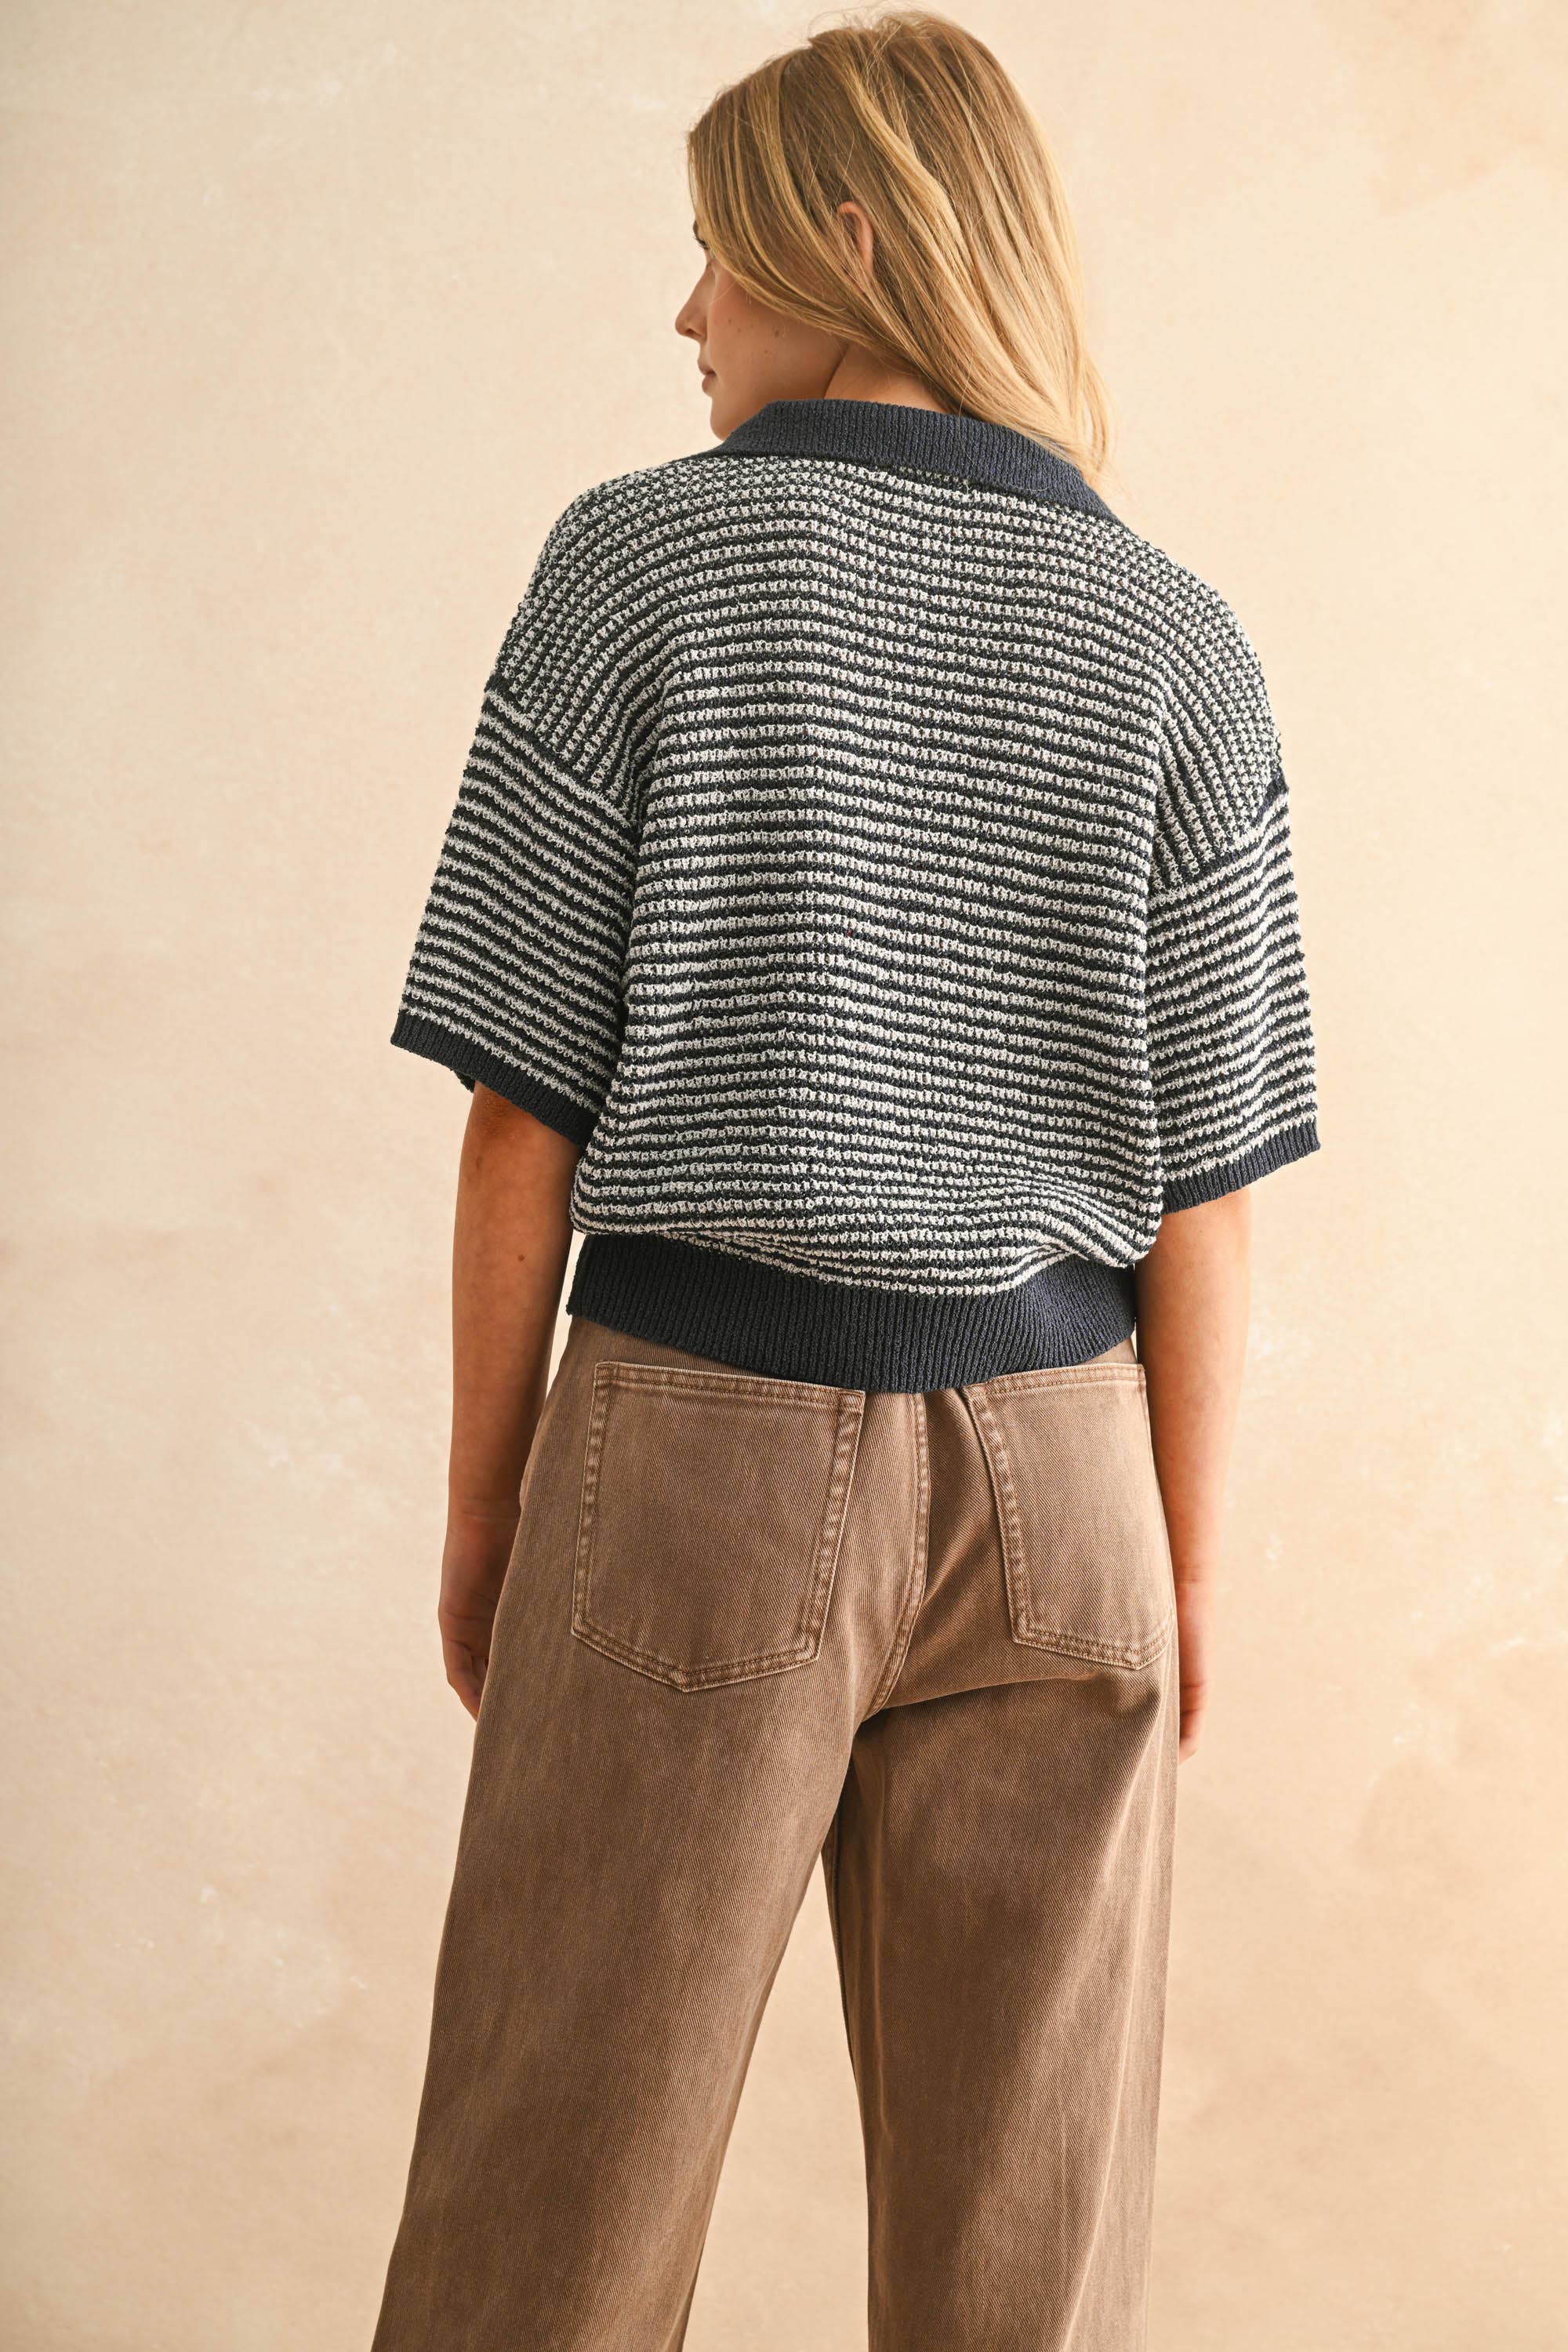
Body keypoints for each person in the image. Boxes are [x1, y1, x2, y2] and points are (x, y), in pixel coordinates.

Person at [368, 11, 1321, 2348]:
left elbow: (521, 1107)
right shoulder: (1180, 639)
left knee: (548, 2220)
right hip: (1076, 1485)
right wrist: (1183, 1576)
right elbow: (1206, 1192)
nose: (687, 309)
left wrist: (489, 1507)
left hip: (697, 1453)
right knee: (1031, 2273)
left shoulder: (641, 563)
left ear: (853, 243)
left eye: (716, 249)